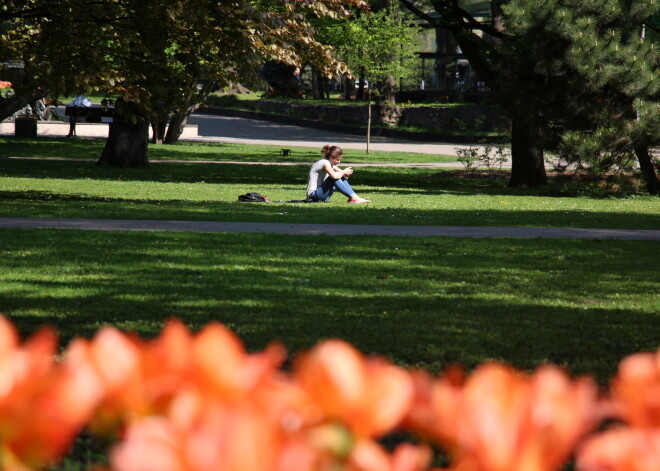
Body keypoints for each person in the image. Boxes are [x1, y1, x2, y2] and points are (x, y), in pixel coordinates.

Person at [306, 145, 371, 203]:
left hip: (321, 197)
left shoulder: (331, 165)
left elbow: (344, 177)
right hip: (313, 196)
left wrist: (346, 174)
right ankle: (354, 198)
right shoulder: (324, 162)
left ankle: (354, 198)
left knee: (338, 175)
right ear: (331, 157)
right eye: (337, 160)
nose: (339, 162)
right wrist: (344, 171)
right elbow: (334, 176)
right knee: (335, 176)